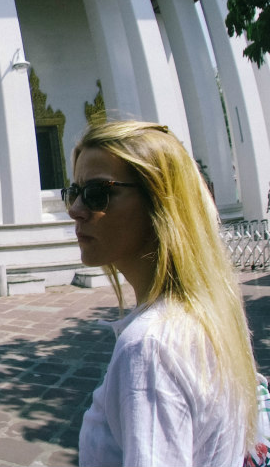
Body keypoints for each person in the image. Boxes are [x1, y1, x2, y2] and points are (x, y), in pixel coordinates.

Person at [66, 120, 258, 467]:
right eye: (73, 192)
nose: (75, 210)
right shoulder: (207, 314)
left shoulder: (149, 346)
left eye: (97, 193)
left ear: (159, 201)